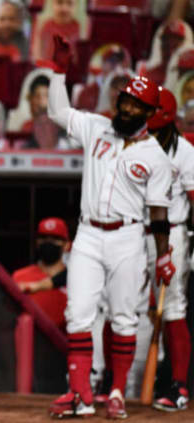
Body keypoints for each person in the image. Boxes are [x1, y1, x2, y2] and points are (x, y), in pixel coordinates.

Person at [41, 35, 174, 419]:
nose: (127, 106)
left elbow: (159, 214)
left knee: (123, 317)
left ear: (148, 112)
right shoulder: (98, 128)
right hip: (88, 234)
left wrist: (163, 255)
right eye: (125, 100)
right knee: (78, 313)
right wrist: (59, 72)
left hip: (129, 237)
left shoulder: (156, 157)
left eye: (136, 104)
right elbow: (58, 113)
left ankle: (116, 392)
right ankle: (80, 393)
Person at [142, 88, 192, 412]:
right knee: (124, 306)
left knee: (171, 307)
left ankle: (178, 385)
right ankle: (109, 383)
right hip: (133, 231)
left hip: (171, 233)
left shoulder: (185, 151)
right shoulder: (135, 143)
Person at [12, 217, 70, 328]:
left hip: (66, 342)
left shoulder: (77, 278)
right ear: (37, 242)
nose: (48, 242)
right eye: (43, 238)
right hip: (31, 342)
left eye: (55, 238)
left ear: (66, 244)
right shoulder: (19, 277)